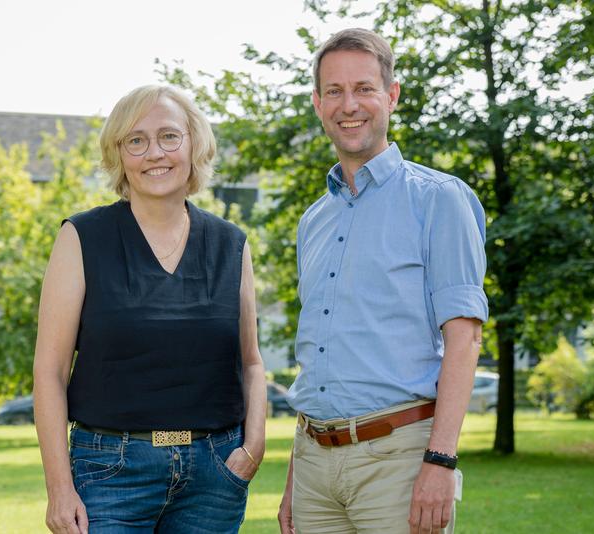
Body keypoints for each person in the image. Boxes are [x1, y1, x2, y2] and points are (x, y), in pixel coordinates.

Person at [277, 28, 488, 534]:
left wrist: (441, 460)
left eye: (364, 89)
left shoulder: (439, 199)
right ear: (318, 103)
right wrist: (293, 479)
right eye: (334, 91)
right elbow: (318, 358)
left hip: (399, 461)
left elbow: (466, 338)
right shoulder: (313, 221)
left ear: (391, 96)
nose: (349, 105)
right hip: (314, 466)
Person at [33, 85, 266, 534]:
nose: (154, 152)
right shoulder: (82, 238)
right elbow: (50, 370)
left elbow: (252, 361)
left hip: (214, 476)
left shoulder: (230, 244)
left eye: (169, 136)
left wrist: (253, 445)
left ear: (193, 144)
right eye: (135, 140)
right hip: (110, 473)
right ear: (118, 155)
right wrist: (59, 488)